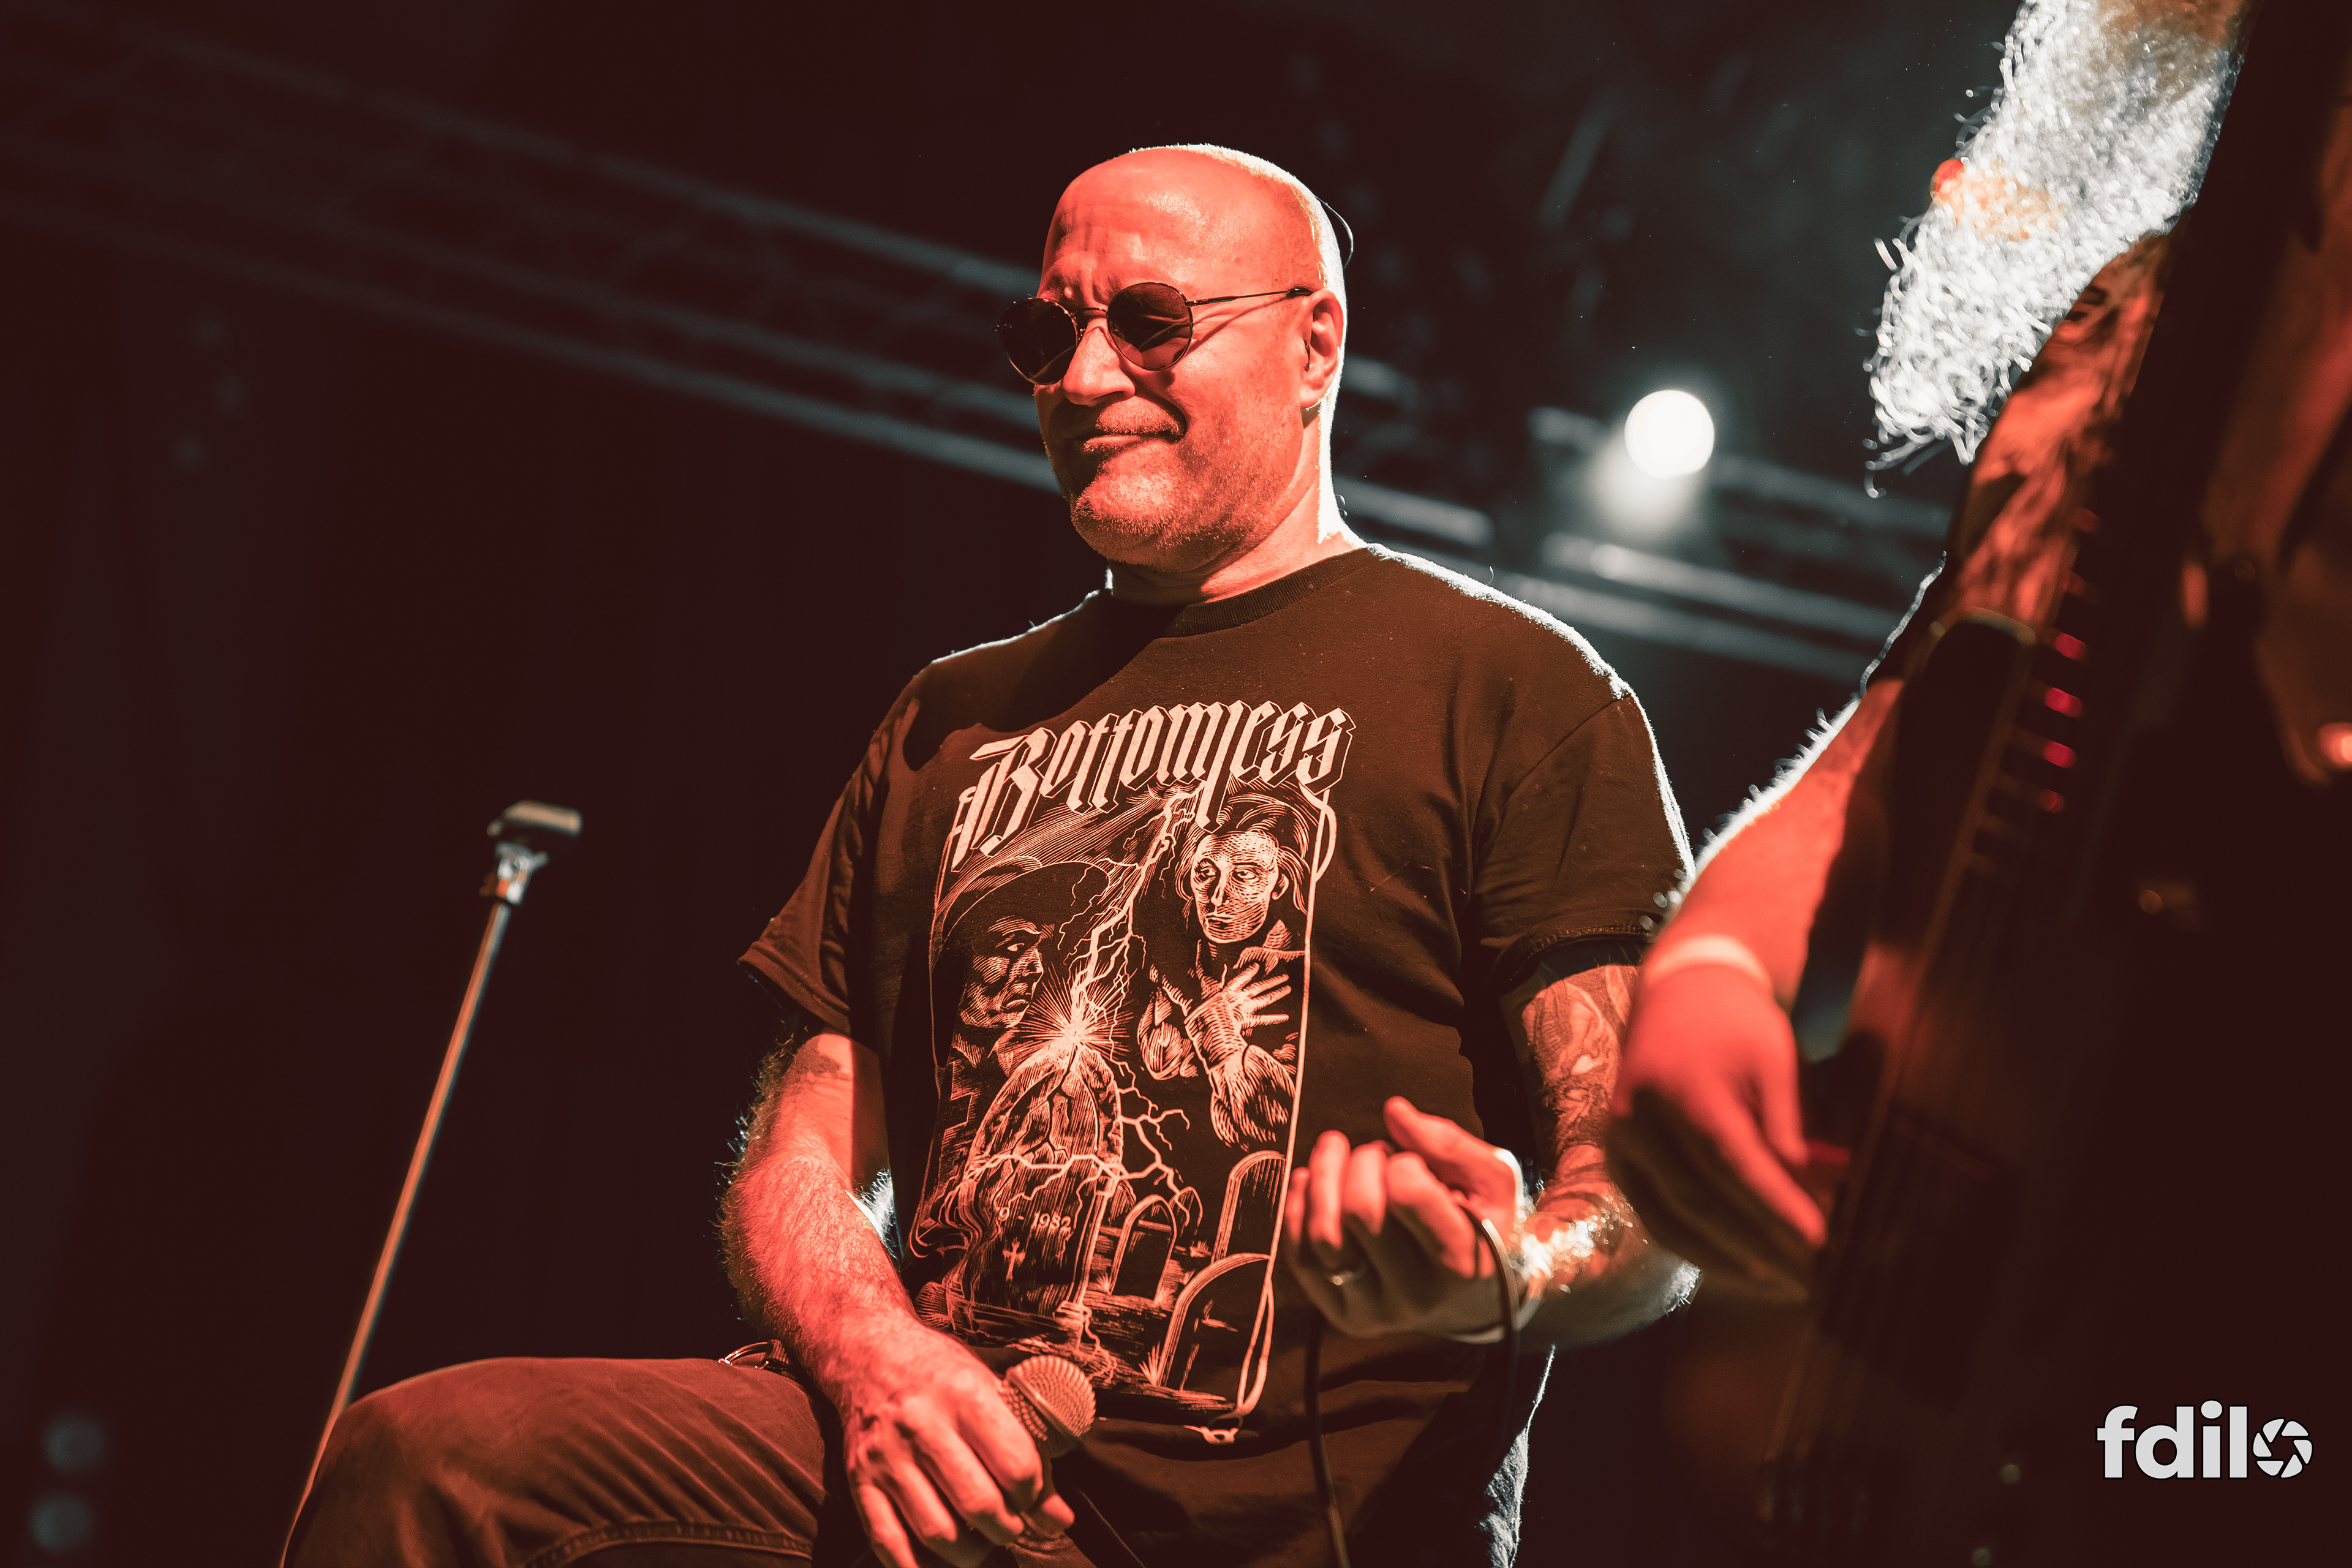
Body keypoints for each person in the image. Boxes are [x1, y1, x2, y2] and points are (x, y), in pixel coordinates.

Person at [287, 144, 1695, 1568]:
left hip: (1283, 1539)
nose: (1082, 378)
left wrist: (1506, 1271)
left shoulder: (1511, 691)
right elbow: (804, 1146)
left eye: (1149, 321)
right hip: (943, 1482)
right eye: (1047, 332)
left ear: (1313, 342)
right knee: (428, 1459)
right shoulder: (947, 718)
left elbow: (1649, 1182)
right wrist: (874, 1354)